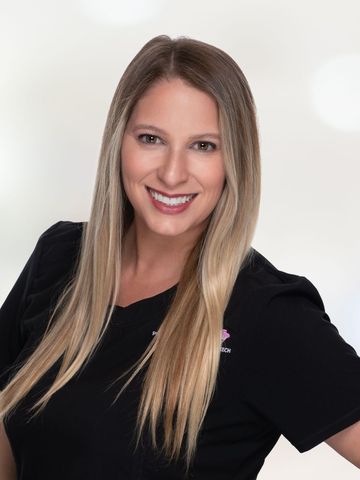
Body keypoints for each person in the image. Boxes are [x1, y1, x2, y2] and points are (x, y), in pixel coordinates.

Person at [1, 34, 360, 480]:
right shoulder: (59, 258)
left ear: (235, 160)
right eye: (151, 138)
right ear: (119, 143)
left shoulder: (266, 314)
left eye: (203, 146)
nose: (172, 173)